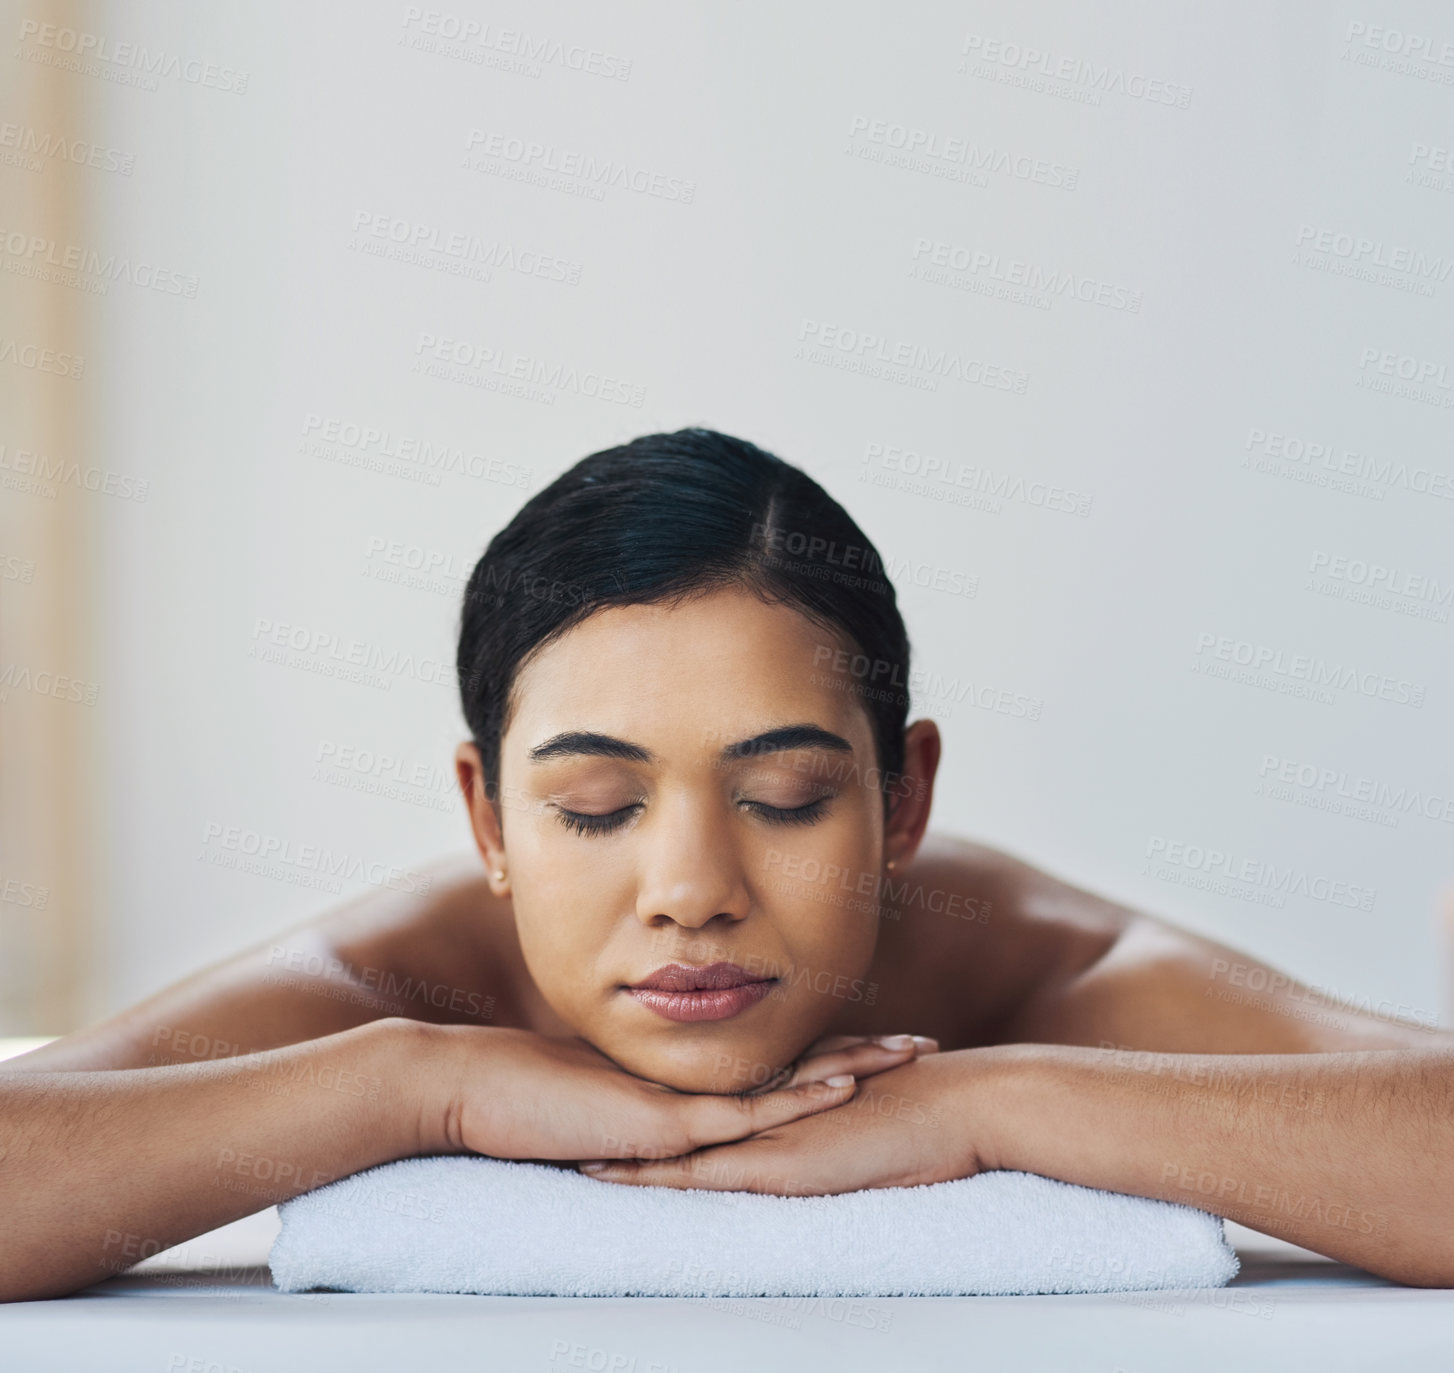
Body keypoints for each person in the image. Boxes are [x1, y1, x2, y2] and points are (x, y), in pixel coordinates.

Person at [2, 427, 1450, 1302]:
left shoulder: (1036, 966)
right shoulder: (407, 979)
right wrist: (405, 1082)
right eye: (590, 807)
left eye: (782, 794)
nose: (690, 886)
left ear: (902, 797)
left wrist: (990, 1099)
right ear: (488, 820)